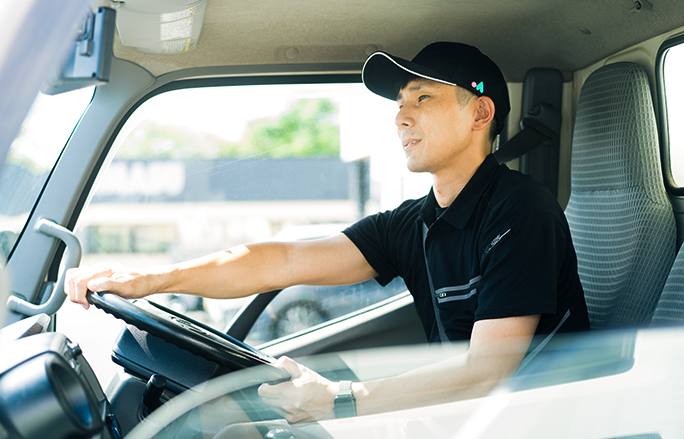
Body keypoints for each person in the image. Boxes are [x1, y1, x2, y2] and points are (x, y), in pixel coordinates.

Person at [65, 42, 589, 423]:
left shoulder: (522, 212)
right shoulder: (415, 222)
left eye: (422, 98)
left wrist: (340, 399)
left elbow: (485, 372)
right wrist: (154, 279)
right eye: (399, 103)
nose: (400, 117)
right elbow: (281, 262)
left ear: (480, 112)